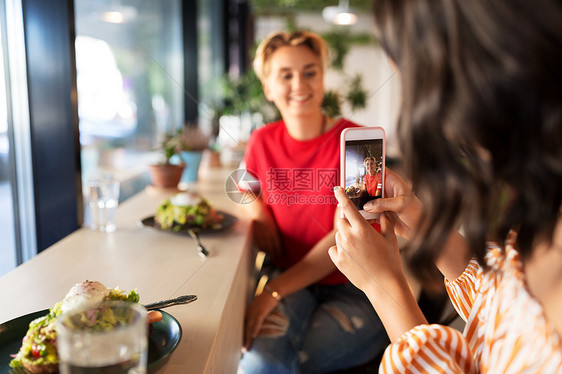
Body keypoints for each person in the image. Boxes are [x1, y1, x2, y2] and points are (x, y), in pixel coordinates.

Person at [328, 0, 562, 372]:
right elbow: (499, 311)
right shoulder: (542, 208)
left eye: (414, 86)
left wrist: (384, 286)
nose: (411, 107)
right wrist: (422, 223)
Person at [238, 30, 388, 373]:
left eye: (309, 72)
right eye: (285, 75)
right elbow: (242, 186)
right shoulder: (261, 140)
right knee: (262, 362)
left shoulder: (360, 146)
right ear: (268, 87)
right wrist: (256, 209)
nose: (299, 84)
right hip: (294, 283)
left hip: (356, 288)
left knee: (276, 364)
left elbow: (348, 238)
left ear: (322, 77)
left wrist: (272, 292)